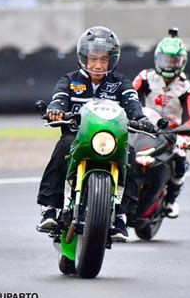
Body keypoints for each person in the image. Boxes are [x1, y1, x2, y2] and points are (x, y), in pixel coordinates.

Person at [36, 26, 155, 243]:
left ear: (112, 60)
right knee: (62, 149)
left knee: (131, 156)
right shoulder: (70, 80)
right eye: (93, 59)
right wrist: (55, 110)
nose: (98, 65)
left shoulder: (121, 83)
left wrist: (141, 118)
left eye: (103, 59)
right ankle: (49, 208)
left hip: (112, 139)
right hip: (77, 137)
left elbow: (132, 103)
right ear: (83, 58)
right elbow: (59, 98)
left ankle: (120, 215)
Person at [132, 28, 190, 218]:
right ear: (157, 58)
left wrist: (185, 134)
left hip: (171, 130)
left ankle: (171, 200)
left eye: (174, 60)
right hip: (145, 123)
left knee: (180, 161)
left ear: (182, 62)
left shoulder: (188, 87)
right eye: (165, 59)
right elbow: (128, 97)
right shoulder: (145, 76)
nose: (169, 64)